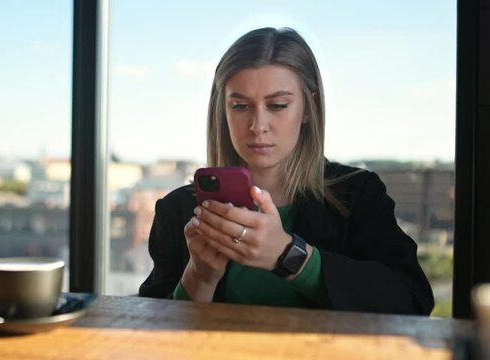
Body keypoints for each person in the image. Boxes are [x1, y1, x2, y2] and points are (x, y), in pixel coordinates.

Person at [138, 27, 434, 315]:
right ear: (222, 111)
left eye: (278, 105)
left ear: (308, 108)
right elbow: (145, 328)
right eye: (240, 106)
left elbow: (412, 301)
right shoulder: (180, 210)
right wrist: (199, 278)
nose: (258, 125)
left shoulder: (358, 194)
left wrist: (290, 256)